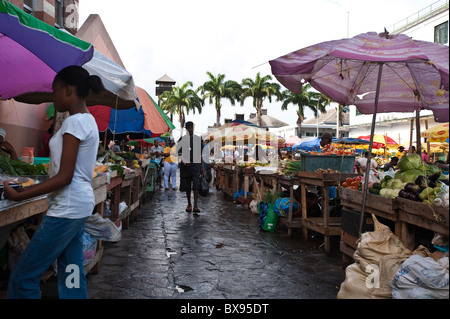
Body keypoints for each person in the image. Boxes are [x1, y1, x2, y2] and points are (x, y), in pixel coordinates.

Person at [2, 65, 105, 299]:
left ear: (68, 90)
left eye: (55, 90)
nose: (53, 95)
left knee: (23, 277)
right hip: (77, 206)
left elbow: (64, 177)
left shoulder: (74, 123)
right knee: (71, 270)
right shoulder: (87, 121)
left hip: (66, 210)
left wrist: (19, 195)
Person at [176, 121, 206, 214]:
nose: (190, 129)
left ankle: (195, 205)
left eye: (191, 127)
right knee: (187, 187)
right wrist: (184, 159)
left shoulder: (198, 139)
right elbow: (179, 153)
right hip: (186, 167)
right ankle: (189, 204)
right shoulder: (182, 139)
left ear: (193, 128)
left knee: (196, 187)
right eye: (188, 128)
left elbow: (201, 154)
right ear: (186, 129)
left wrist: (202, 167)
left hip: (196, 166)